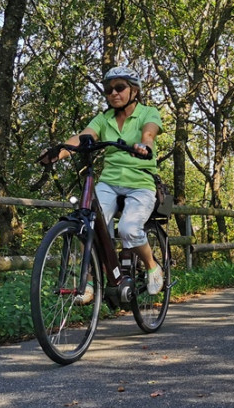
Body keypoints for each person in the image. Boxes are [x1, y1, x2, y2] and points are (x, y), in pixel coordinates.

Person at [40, 66, 164, 302]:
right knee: (89, 223)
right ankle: (87, 284)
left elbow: (149, 135)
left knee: (128, 228)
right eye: (108, 90)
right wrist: (58, 152)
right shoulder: (104, 118)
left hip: (140, 181)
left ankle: (152, 267)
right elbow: (84, 136)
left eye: (120, 87)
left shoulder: (149, 112)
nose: (113, 93)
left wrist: (144, 147)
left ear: (134, 90)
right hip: (110, 181)